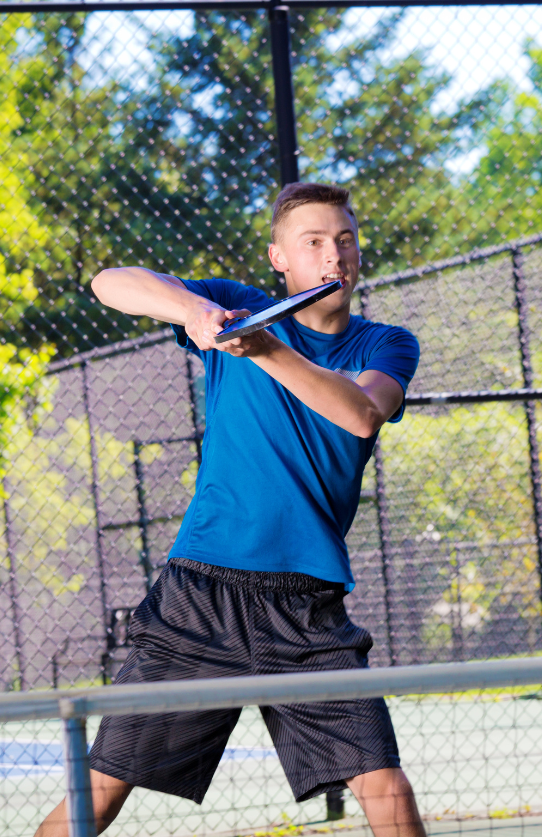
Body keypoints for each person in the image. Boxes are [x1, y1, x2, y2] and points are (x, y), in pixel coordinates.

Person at [35, 183, 424, 837]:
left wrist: (264, 347)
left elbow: (359, 414)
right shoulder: (239, 306)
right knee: (100, 791)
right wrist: (194, 310)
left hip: (306, 605)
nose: (335, 255)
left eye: (346, 239)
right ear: (280, 258)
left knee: (385, 787)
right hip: (200, 595)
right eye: (314, 242)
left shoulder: (386, 344)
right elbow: (110, 282)